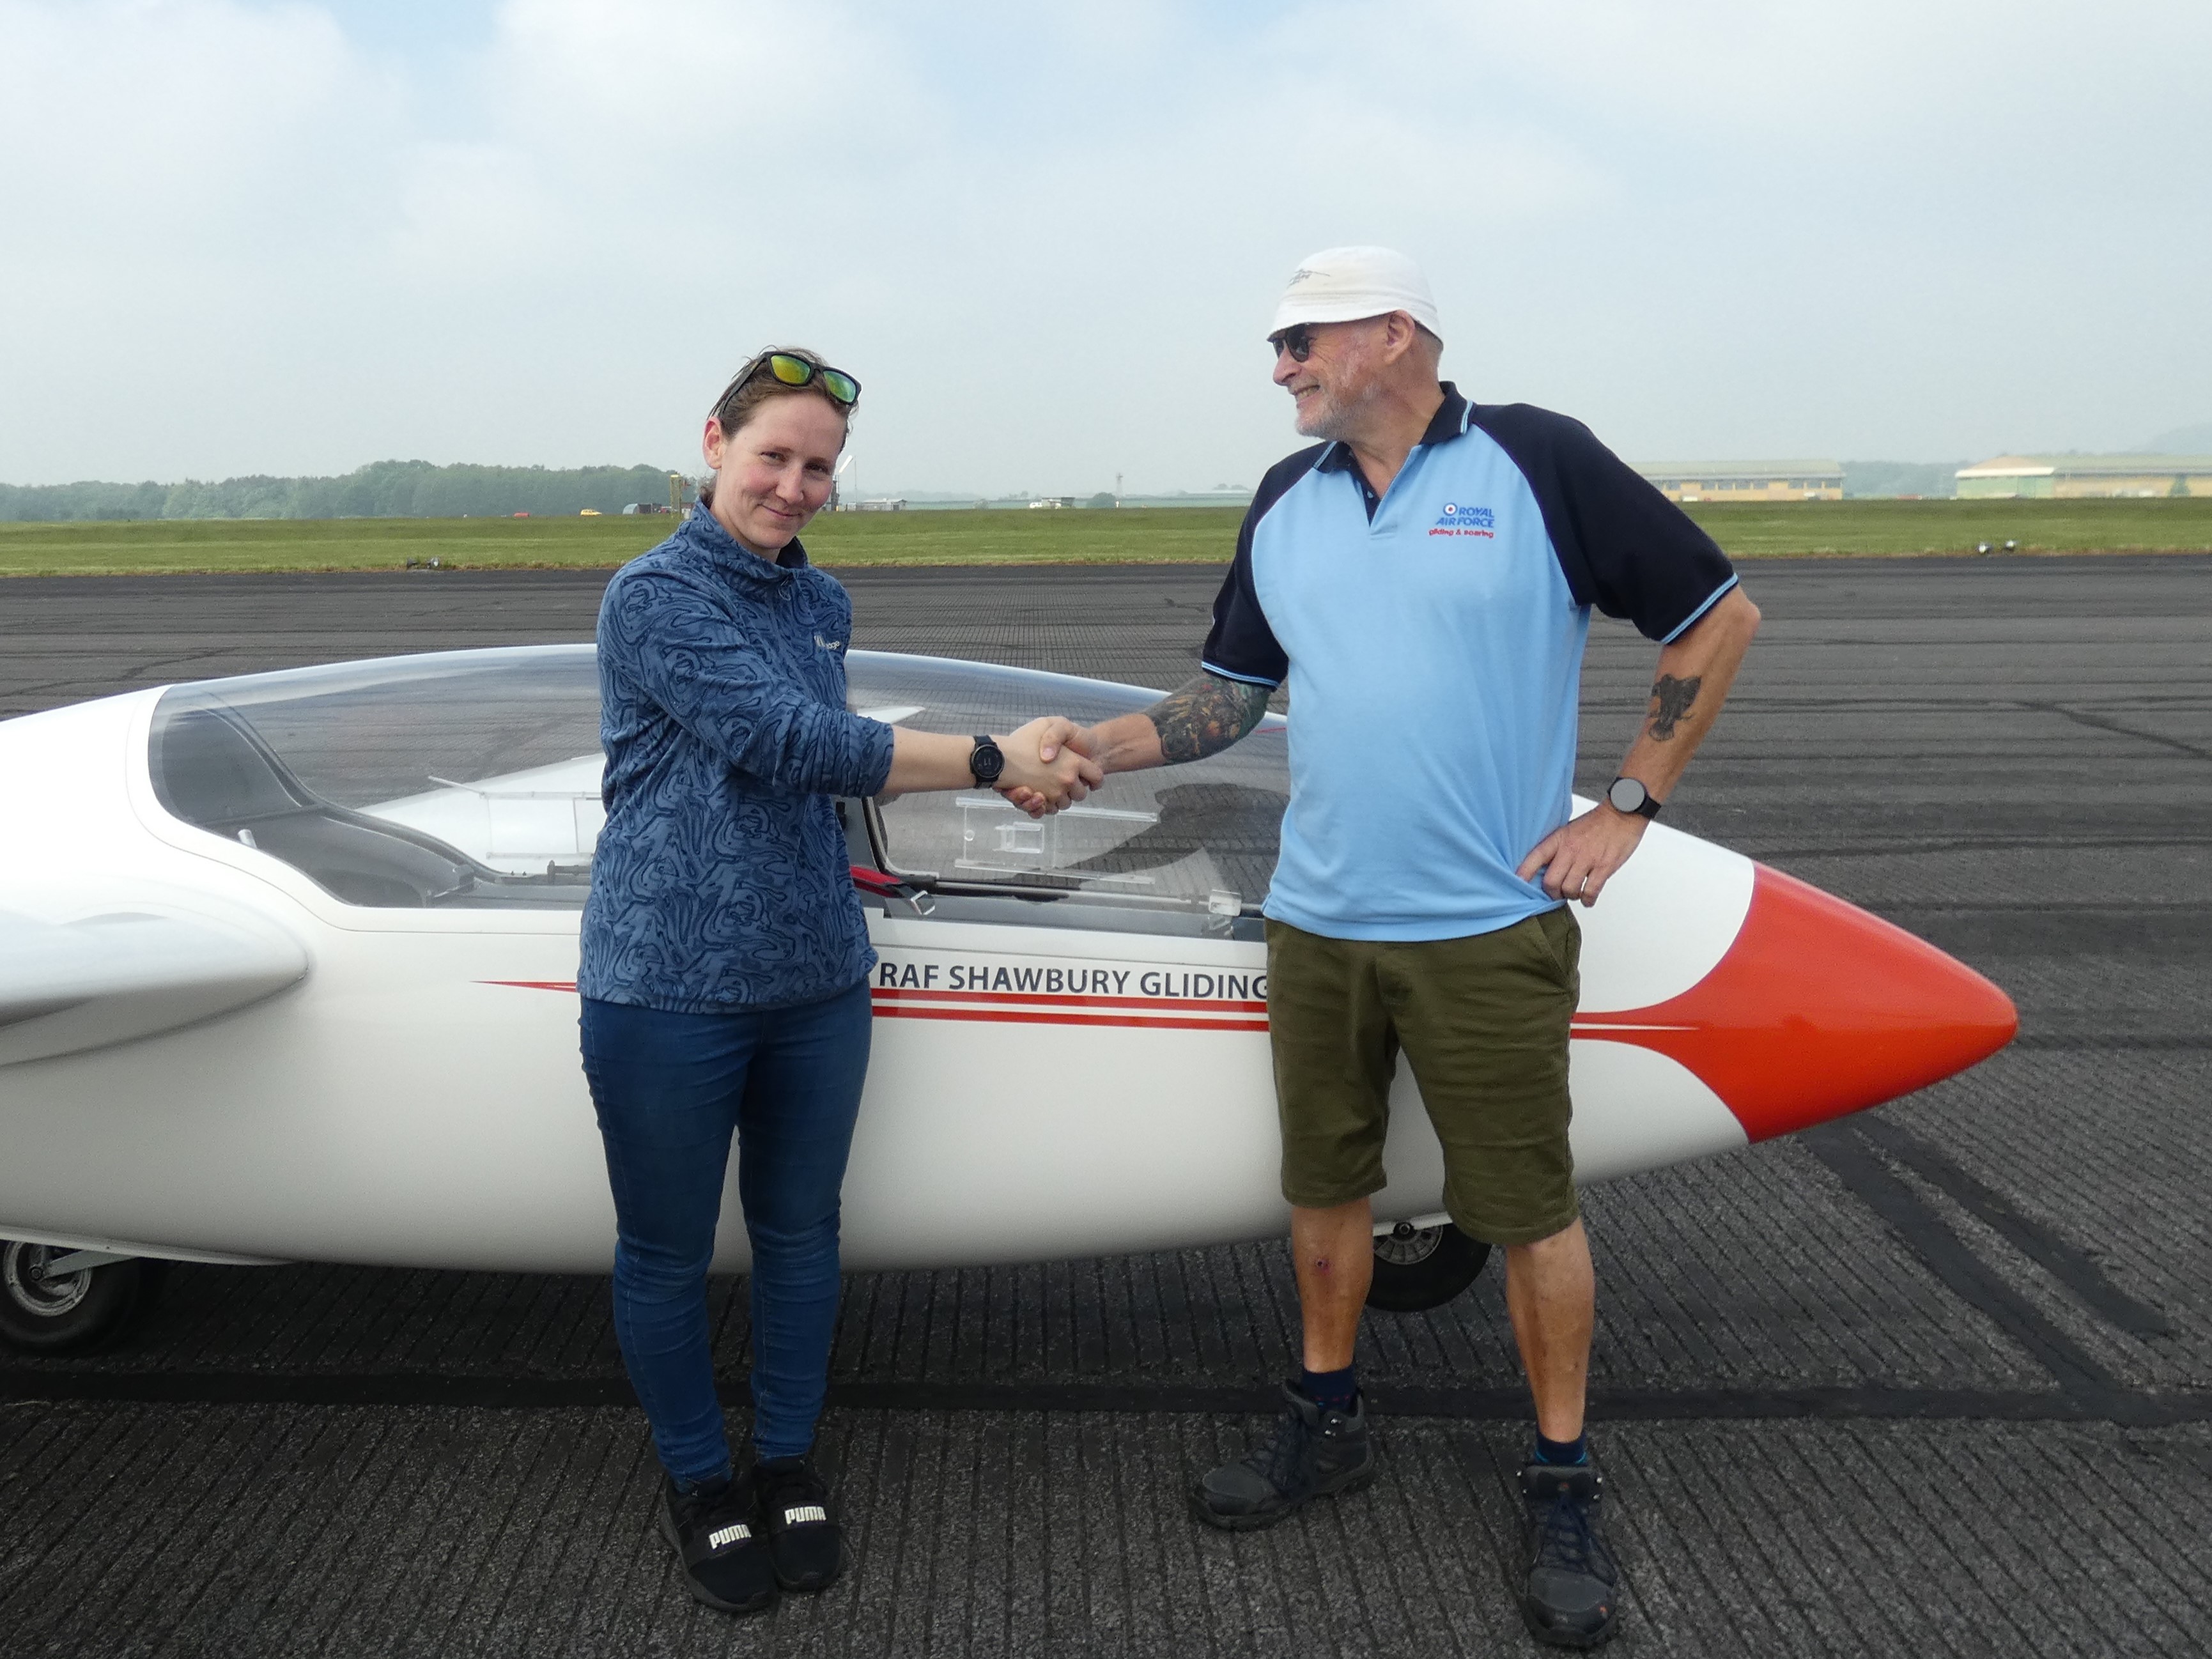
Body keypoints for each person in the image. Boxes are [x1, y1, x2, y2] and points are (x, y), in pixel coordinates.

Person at [1025, 249, 1760, 1648]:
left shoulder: (1537, 460)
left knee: (1528, 1209)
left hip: (1485, 926)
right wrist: (1086, 749)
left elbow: (1718, 617)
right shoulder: (1286, 498)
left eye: (1302, 340)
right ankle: (1328, 1412)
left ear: (1395, 332)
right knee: (1324, 1190)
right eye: (1279, 346)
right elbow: (1228, 699)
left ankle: (1560, 1473)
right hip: (1318, 922)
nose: (1282, 367)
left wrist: (1626, 806)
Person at [578, 347, 1101, 1617]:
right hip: (666, 981)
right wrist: (995, 760)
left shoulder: (823, 600)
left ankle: (787, 1461)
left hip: (816, 971)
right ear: (714, 444)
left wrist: (1013, 777)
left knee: (803, 1232)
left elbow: (837, 768)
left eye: (819, 467)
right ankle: (701, 1479)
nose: (794, 485)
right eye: (774, 456)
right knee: (665, 1250)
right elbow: (785, 740)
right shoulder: (652, 595)